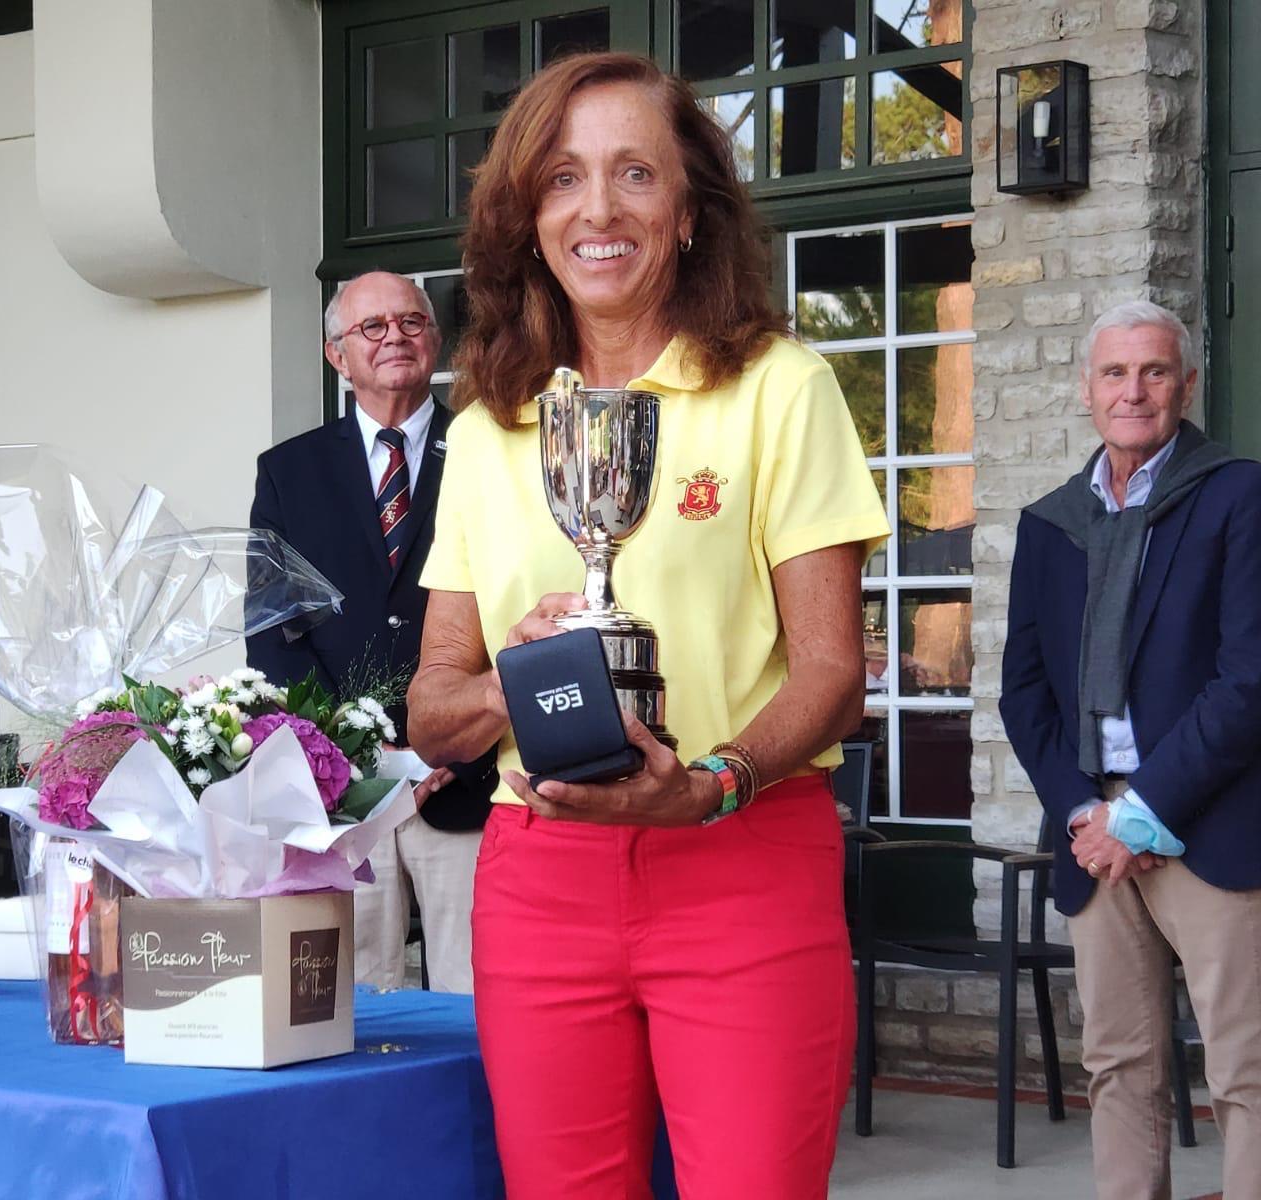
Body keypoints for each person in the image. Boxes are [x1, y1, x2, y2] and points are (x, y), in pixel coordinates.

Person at [406, 52, 890, 1198]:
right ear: (527, 218)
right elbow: (433, 709)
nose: (598, 210)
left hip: (742, 858)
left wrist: (713, 781)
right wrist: (514, 684)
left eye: (636, 174)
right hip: (538, 877)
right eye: (563, 179)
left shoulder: (778, 386)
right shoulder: (485, 426)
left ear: (687, 214)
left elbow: (831, 671)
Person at [1000, 300, 1261, 1200]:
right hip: (1091, 830)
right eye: (1115, 373)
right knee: (1120, 1064)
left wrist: (1140, 814)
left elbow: (1249, 682)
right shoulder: (1050, 523)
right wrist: (1085, 810)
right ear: (1086, 391)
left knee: (1247, 1071)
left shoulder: (1238, 494)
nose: (1134, 390)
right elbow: (1022, 690)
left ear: (1185, 386)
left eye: (1154, 372)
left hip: (1209, 823)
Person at [246, 271, 496, 995]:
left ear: (437, 339)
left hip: (468, 784)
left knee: (476, 1005)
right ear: (337, 355)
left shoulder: (488, 451)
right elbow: (272, 631)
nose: (395, 338)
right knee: (350, 1005)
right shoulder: (290, 472)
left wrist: (452, 738)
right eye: (372, 328)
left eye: (411, 322)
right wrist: (357, 755)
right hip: (346, 799)